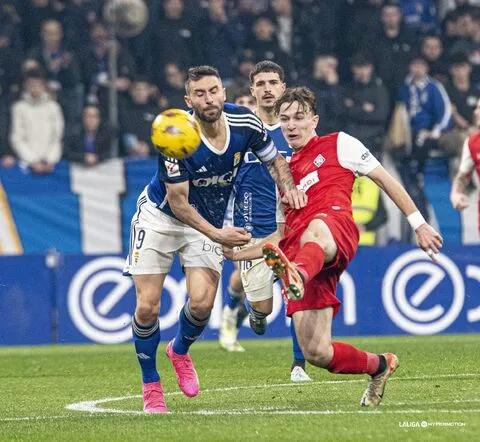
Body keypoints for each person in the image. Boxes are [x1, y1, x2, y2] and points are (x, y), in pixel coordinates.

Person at [224, 86, 443, 406]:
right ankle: (380, 365)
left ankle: (295, 274)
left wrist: (419, 223)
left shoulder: (340, 143)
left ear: (314, 120)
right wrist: (238, 253)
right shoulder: (283, 177)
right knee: (317, 352)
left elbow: (386, 180)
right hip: (304, 256)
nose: (291, 125)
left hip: (334, 231)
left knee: (315, 230)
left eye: (299, 118)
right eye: (285, 120)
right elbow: (279, 240)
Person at [124, 65, 306, 413]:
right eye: (200, 93)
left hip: (205, 220)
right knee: (148, 305)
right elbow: (178, 202)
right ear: (188, 99)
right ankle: (151, 384)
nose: (208, 99)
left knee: (203, 305)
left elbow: (275, 163)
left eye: (213, 91)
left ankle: (178, 350)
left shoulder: (246, 124)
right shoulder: (176, 133)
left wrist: (291, 191)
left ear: (224, 92)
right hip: (162, 216)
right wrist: (219, 233)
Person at [219, 61, 311, 382]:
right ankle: (252, 314)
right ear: (253, 90)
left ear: (283, 87)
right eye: (261, 83)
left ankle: (298, 365)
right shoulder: (242, 131)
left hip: (293, 225)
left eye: (274, 82)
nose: (268, 88)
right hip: (254, 230)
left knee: (297, 292)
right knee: (263, 309)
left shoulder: (294, 130)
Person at [450, 98, 480, 232]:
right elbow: (463, 176)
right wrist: (456, 193)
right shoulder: (472, 143)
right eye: (477, 108)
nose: (476, 112)